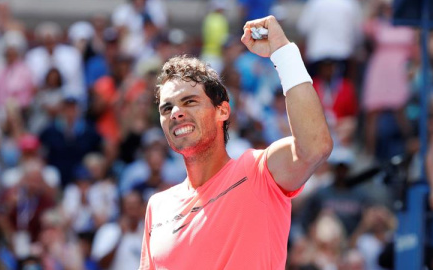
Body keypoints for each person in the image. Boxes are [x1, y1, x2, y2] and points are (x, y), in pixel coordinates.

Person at [139, 15, 333, 269]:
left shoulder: (260, 171)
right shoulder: (157, 206)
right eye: (167, 108)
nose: (175, 112)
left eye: (190, 101)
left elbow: (314, 146)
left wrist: (284, 52)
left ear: (222, 111)